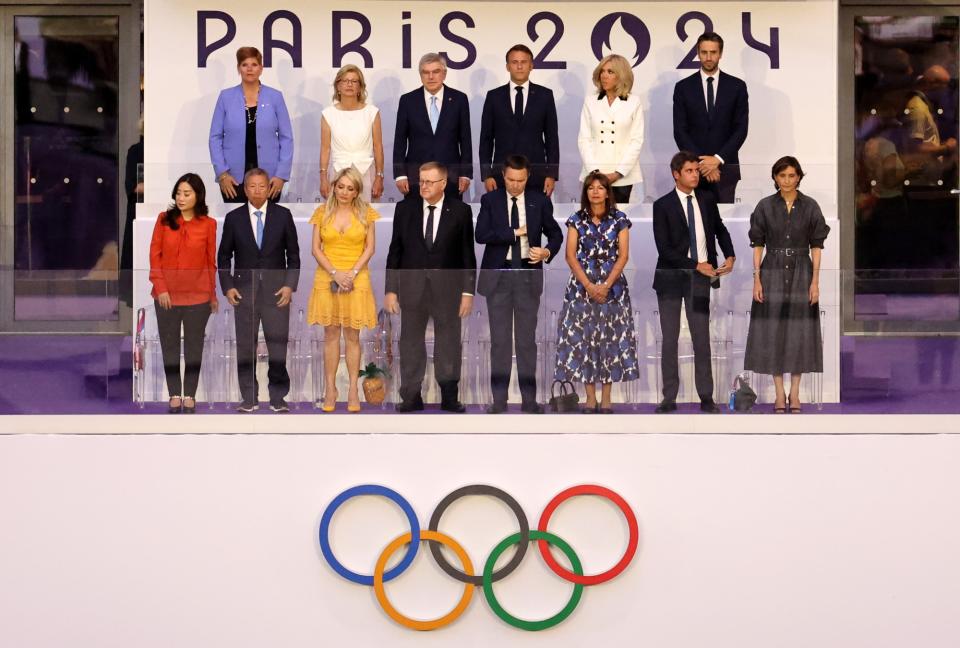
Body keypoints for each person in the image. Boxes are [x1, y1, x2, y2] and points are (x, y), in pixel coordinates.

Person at [384, 162, 477, 412]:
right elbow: (395, 252)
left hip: (448, 291)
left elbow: (468, 255)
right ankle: (411, 396)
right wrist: (391, 290)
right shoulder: (405, 209)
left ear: (443, 183)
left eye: (429, 182)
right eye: (421, 180)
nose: (423, 186)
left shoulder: (460, 211)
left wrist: (468, 292)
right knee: (411, 342)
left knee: (448, 342)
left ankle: (449, 396)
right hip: (412, 289)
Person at [476, 155, 563, 413]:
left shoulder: (538, 200)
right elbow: (481, 234)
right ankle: (499, 401)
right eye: (511, 180)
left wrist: (546, 252)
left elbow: (556, 233)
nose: (516, 185)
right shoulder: (490, 200)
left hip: (527, 273)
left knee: (526, 341)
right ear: (503, 176)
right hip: (499, 276)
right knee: (500, 342)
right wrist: (513, 233)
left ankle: (529, 400)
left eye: (521, 180)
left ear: (528, 177)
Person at [652, 151, 736, 413]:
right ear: (676, 174)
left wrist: (730, 254)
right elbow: (664, 249)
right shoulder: (662, 205)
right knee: (670, 339)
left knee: (702, 338)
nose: (695, 175)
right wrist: (695, 264)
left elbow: (719, 228)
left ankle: (706, 397)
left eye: (696, 171)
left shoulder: (707, 199)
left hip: (700, 280)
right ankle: (669, 397)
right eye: (689, 171)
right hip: (670, 279)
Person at [744, 157, 830, 413]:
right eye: (782, 176)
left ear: (799, 177)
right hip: (771, 270)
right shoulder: (765, 206)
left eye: (792, 176)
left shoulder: (811, 206)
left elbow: (817, 245)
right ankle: (779, 393)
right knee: (773, 331)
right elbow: (757, 243)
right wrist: (756, 278)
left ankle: (795, 393)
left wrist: (815, 282)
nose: (787, 181)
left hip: (802, 271)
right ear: (775, 178)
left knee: (799, 331)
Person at [217, 168, 300, 413]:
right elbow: (223, 257)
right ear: (245, 189)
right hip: (244, 292)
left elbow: (293, 256)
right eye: (252, 186)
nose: (257, 190)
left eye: (262, 186)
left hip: (276, 293)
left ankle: (277, 397)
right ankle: (249, 398)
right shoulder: (234, 219)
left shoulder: (283, 216)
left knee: (277, 344)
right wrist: (228, 287)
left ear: (269, 188)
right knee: (245, 345)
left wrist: (289, 286)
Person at [554, 172, 639, 413]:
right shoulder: (576, 219)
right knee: (585, 340)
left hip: (613, 287)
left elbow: (623, 255)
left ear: (607, 192)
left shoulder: (619, 219)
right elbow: (570, 255)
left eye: (600, 187)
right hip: (582, 286)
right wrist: (590, 286)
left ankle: (607, 398)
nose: (595, 191)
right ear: (586, 192)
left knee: (610, 340)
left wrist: (606, 285)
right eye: (591, 187)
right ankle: (590, 397)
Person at [307, 168, 379, 413]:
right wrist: (335, 273)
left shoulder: (366, 213)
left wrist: (352, 274)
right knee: (330, 335)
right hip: (327, 276)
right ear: (334, 186)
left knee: (352, 336)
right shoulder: (321, 212)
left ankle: (352, 389)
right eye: (341, 186)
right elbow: (316, 249)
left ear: (357, 190)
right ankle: (330, 389)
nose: (344, 192)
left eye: (350, 188)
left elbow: (370, 249)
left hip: (357, 278)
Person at [148, 173, 218, 414]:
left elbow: (211, 262)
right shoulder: (163, 220)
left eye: (186, 193)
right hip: (167, 296)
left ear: (198, 196)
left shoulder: (209, 224)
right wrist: (161, 288)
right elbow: (154, 256)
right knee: (169, 345)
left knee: (193, 347)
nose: (181, 198)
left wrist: (212, 294)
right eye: (178, 193)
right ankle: (174, 393)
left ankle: (190, 393)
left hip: (197, 297)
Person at [209, 46, 294, 204]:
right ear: (238, 68)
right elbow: (215, 138)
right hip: (233, 179)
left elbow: (286, 138)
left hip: (269, 179)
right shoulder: (226, 97)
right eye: (244, 64)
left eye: (254, 64)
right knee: (238, 224)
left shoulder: (275, 97)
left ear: (261, 68)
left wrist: (281, 175)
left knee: (268, 224)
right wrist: (222, 174)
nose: (249, 69)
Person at [672, 32, 749, 204]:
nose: (708, 57)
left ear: (720, 54)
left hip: (726, 169)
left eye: (713, 52)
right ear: (698, 53)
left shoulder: (737, 87)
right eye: (704, 52)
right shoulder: (683, 88)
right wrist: (702, 164)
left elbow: (741, 129)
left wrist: (717, 160)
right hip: (692, 170)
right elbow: (680, 130)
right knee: (695, 225)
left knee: (724, 224)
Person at [479, 44, 560, 196]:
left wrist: (552, 174)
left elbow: (552, 139)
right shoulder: (493, 97)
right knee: (502, 218)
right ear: (507, 66)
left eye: (524, 62)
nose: (519, 66)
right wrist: (486, 175)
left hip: (536, 175)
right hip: (501, 176)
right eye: (514, 62)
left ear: (531, 66)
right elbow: (486, 139)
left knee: (536, 218)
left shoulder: (545, 96)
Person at [393, 53, 472, 200]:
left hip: (450, 177)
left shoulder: (459, 99)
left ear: (444, 73)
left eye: (435, 72)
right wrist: (400, 174)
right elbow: (400, 141)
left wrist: (465, 173)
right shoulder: (407, 101)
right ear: (420, 75)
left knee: (450, 221)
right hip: (416, 178)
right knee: (416, 221)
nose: (431, 77)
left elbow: (465, 140)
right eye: (425, 72)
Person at [577, 54, 644, 203]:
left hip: (623, 176)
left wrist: (618, 173)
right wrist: (595, 172)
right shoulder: (591, 101)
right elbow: (584, 139)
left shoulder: (634, 102)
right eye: (602, 71)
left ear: (621, 75)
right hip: (594, 175)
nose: (604, 76)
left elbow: (636, 141)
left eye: (610, 72)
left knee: (618, 221)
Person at [320, 64, 385, 202]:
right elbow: (325, 149)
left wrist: (379, 176)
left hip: (366, 173)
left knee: (366, 218)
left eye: (354, 81)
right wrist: (323, 178)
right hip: (338, 173)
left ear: (360, 87)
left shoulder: (372, 112)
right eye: (345, 80)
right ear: (338, 86)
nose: (349, 84)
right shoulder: (328, 114)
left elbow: (378, 147)